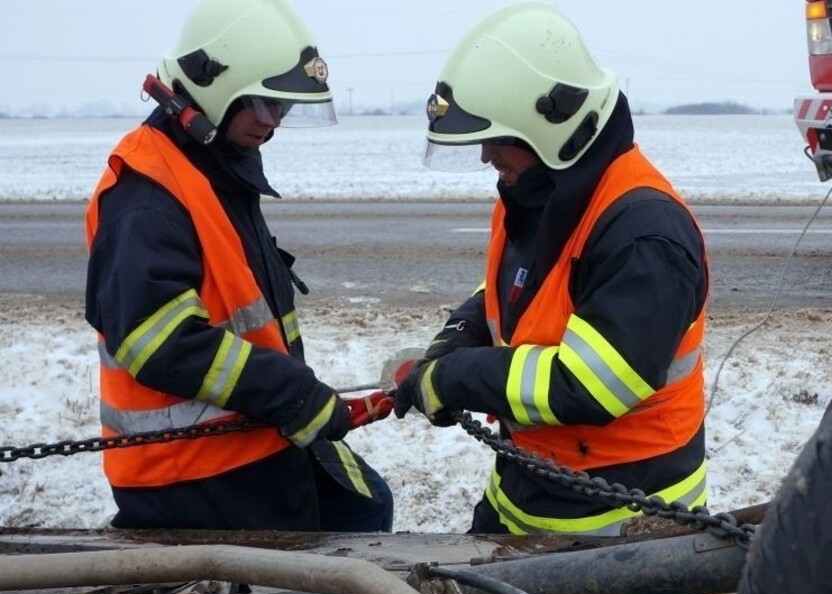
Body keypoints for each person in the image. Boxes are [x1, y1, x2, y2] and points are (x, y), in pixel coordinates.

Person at [388, 1, 711, 535]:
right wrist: (462, 332)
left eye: (497, 138)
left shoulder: (644, 234)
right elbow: (527, 289)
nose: (486, 156)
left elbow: (588, 385)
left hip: (620, 525)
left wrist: (455, 378)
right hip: (525, 497)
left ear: (550, 125)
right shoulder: (543, 191)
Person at [84, 0, 395, 532]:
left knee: (364, 506)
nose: (272, 123)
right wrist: (289, 390)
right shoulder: (148, 196)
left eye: (283, 108)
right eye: (261, 104)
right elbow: (160, 341)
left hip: (253, 432)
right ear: (211, 87)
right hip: (190, 470)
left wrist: (292, 395)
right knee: (291, 591)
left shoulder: (214, 165)